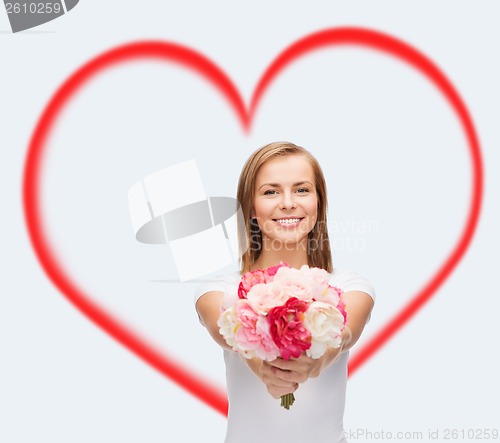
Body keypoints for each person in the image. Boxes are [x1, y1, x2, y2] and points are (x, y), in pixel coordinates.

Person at [194, 141, 375, 443]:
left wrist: (319, 360)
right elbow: (227, 332)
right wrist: (263, 369)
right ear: (250, 207)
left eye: (302, 190)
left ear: (319, 202)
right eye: (270, 191)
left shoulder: (349, 287)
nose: (288, 202)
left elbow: (346, 333)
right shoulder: (219, 291)